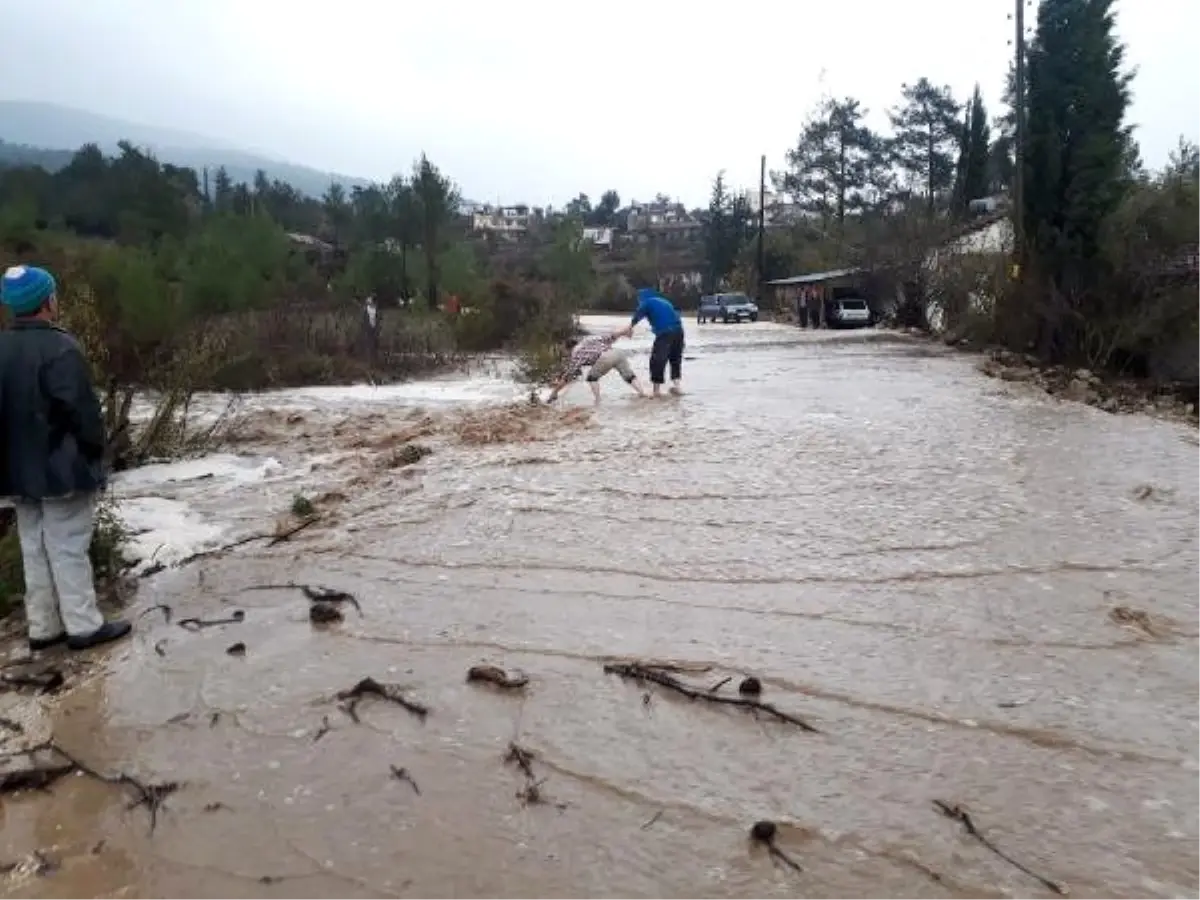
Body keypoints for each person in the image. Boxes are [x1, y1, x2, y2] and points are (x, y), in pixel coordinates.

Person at [0, 265, 132, 652]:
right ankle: (83, 626)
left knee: (33, 546)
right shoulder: (61, 347)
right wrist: (96, 455)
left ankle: (43, 627)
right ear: (47, 301)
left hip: (15, 473)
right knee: (68, 545)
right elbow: (83, 414)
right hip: (62, 469)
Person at [544, 331, 645, 405]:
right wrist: (624, 332)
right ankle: (642, 393)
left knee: (592, 378)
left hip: (606, 357)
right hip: (618, 353)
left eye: (564, 350)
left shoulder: (576, 352)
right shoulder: (588, 340)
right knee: (629, 376)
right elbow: (611, 336)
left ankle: (598, 401)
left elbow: (568, 376)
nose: (565, 353)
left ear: (568, 348)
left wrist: (554, 392)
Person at [617, 287, 684, 396]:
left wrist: (628, 329)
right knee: (675, 359)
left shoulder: (647, 303)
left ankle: (656, 391)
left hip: (665, 332)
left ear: (641, 298)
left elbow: (636, 317)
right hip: (679, 332)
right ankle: (678, 387)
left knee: (657, 360)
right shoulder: (664, 301)